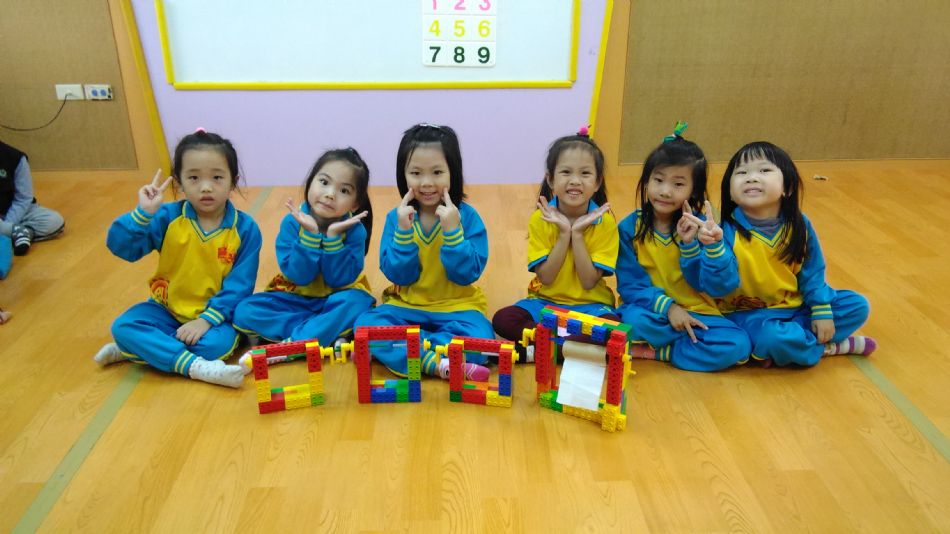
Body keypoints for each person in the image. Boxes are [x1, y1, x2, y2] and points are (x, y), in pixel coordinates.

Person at [93, 129, 262, 387]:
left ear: (233, 181)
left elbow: (239, 286)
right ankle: (193, 366)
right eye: (193, 178)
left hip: (214, 318)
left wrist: (205, 321)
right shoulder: (167, 217)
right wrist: (142, 214)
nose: (206, 187)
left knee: (217, 346)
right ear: (180, 182)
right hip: (166, 309)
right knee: (122, 326)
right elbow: (123, 248)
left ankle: (140, 349)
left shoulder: (245, 229)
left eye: (217, 177)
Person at [354, 123, 493, 381]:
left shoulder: (467, 217)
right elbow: (399, 276)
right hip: (405, 306)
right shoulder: (397, 218)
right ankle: (434, 361)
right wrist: (403, 234)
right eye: (416, 173)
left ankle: (406, 350)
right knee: (364, 326)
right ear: (403, 175)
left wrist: (453, 234)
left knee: (482, 339)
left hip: (458, 308)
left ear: (453, 173)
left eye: (437, 172)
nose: (427, 183)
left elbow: (467, 274)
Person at [717, 141, 876, 367]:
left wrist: (821, 309)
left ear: (788, 188)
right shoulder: (722, 232)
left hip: (794, 306)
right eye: (741, 173)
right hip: (747, 314)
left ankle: (791, 344)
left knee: (857, 305)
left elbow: (813, 272)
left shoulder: (800, 224)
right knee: (773, 337)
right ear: (730, 192)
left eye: (764, 170)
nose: (751, 178)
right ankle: (825, 347)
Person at [615, 127, 751, 371]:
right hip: (654, 311)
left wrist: (698, 246)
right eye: (658, 180)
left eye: (678, 184)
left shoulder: (706, 228)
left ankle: (662, 352)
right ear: (646, 181)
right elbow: (631, 285)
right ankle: (685, 345)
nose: (665, 191)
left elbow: (720, 286)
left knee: (737, 344)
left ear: (694, 190)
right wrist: (670, 308)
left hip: (699, 311)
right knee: (633, 320)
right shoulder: (629, 227)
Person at [491, 128, 619, 361]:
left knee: (613, 329)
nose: (575, 181)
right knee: (504, 319)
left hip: (591, 306)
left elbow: (589, 281)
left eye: (585, 173)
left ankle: (541, 349)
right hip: (546, 303)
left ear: (598, 182)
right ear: (551, 179)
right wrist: (564, 234)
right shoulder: (540, 219)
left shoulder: (605, 222)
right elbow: (547, 278)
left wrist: (577, 235)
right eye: (566, 172)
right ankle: (569, 350)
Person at [233, 148, 375, 356]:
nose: (330, 194)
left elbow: (339, 279)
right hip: (295, 297)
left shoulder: (355, 230)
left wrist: (333, 239)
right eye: (324, 182)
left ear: (355, 203)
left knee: (359, 303)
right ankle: (321, 332)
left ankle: (299, 341)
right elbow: (299, 276)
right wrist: (310, 235)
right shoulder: (292, 223)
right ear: (310, 182)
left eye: (344, 191)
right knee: (245, 311)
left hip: (336, 299)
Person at [0, 140, 66, 255]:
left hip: (14, 211)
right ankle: (19, 234)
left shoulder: (16, 158)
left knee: (54, 221)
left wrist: (8, 224)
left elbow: (23, 199)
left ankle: (16, 232)